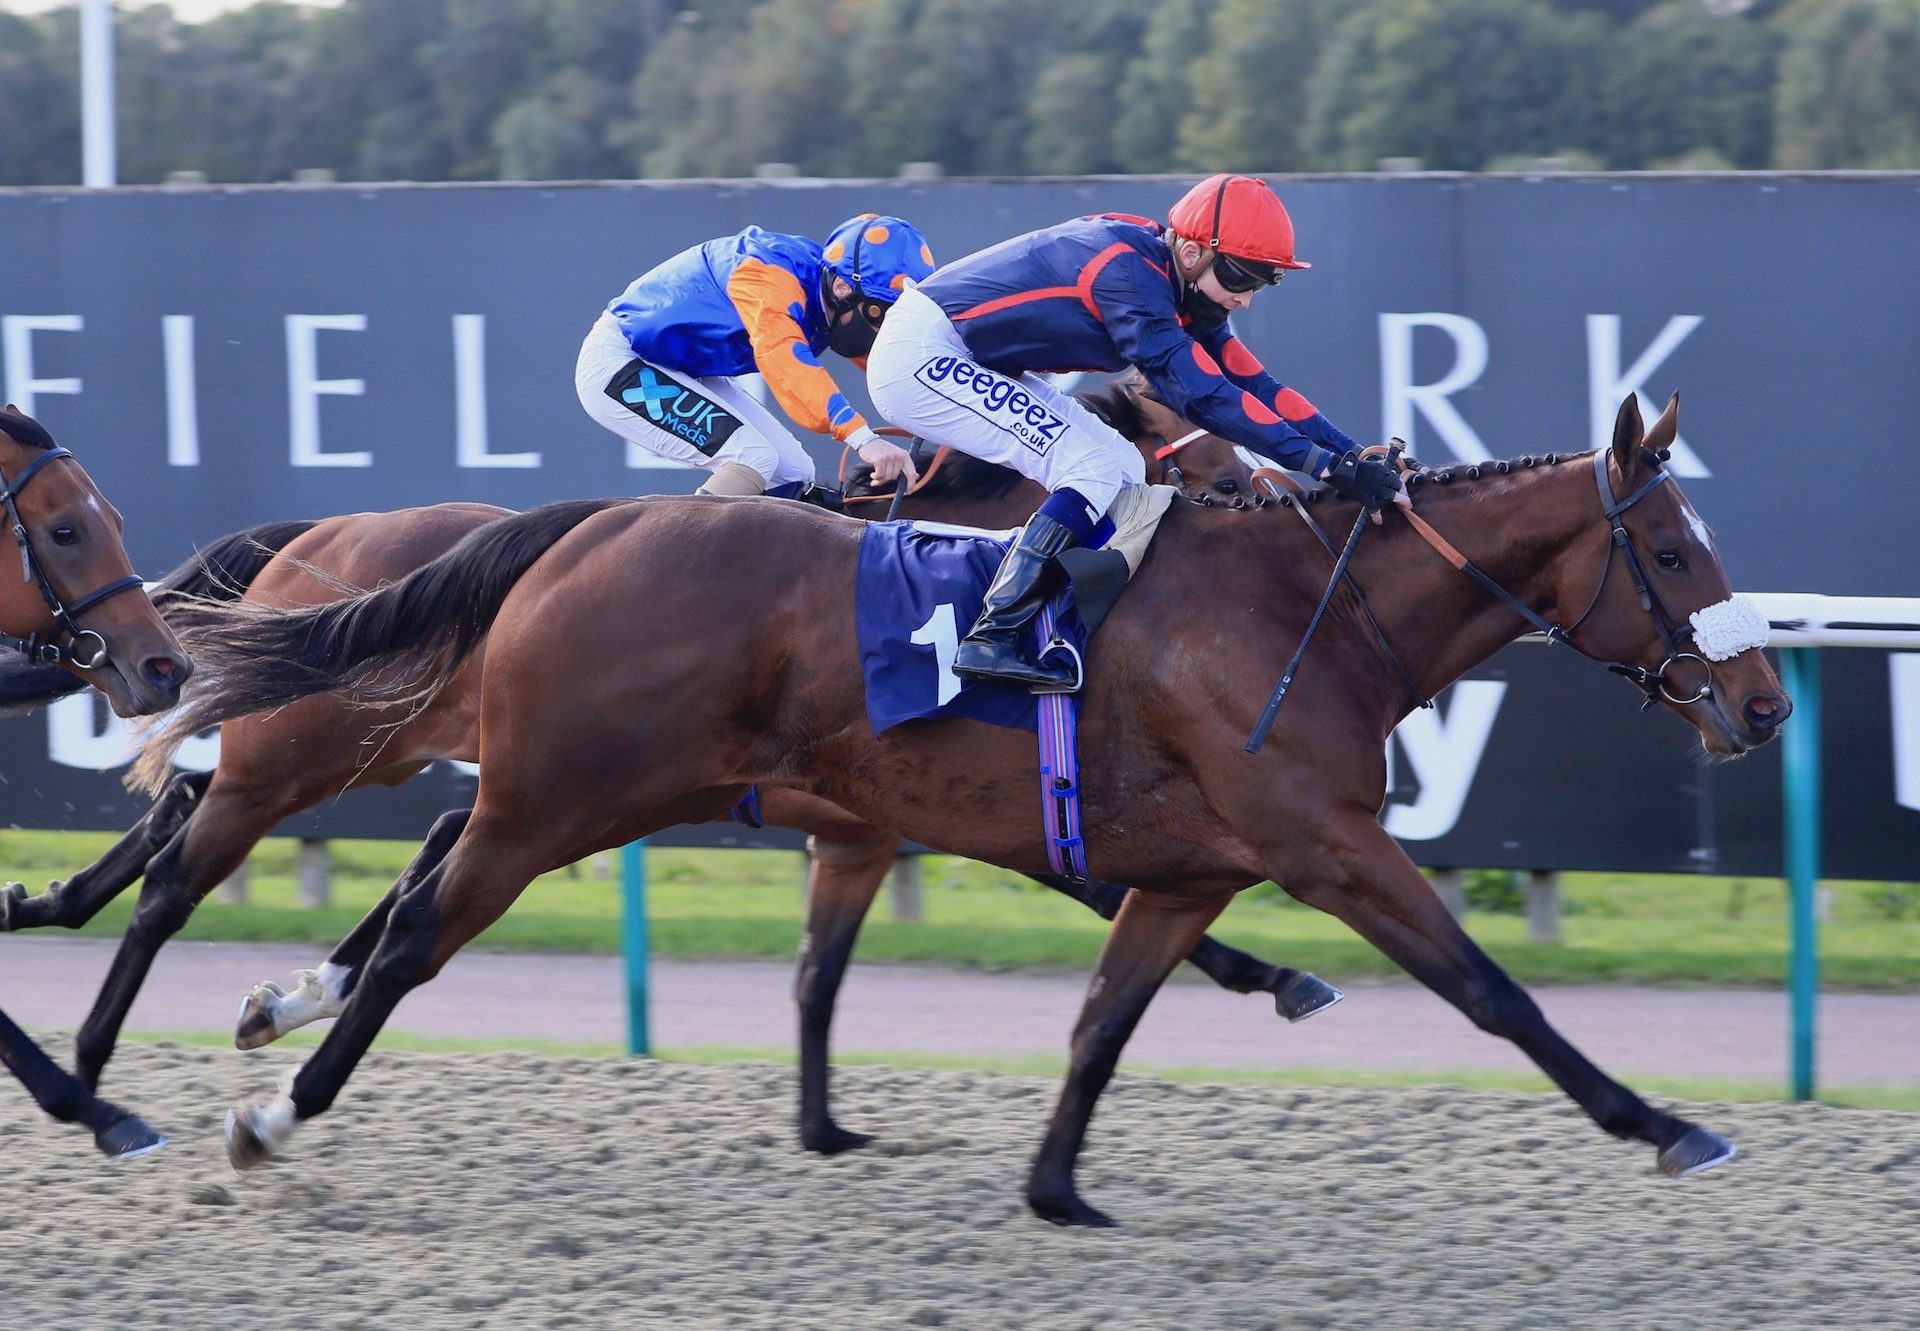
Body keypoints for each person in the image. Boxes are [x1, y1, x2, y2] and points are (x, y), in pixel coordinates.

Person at [866, 174, 1405, 691]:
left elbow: (1256, 385)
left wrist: (1350, 454)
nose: (1245, 299)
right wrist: (1328, 469)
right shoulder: (1131, 277)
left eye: (1265, 282)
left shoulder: (1181, 283)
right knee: (1092, 468)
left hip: (968, 354)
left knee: (1123, 468)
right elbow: (1206, 398)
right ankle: (993, 634)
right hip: (921, 354)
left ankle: (1057, 622)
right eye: (1241, 277)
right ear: (1193, 253)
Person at [575, 214, 935, 502]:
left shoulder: (833, 290)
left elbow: (894, 366)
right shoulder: (768, 276)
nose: (882, 331)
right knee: (752, 458)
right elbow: (785, 359)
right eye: (880, 315)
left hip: (678, 366)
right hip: (621, 362)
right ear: (843, 288)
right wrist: (863, 439)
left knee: (795, 474)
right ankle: (670, 574)